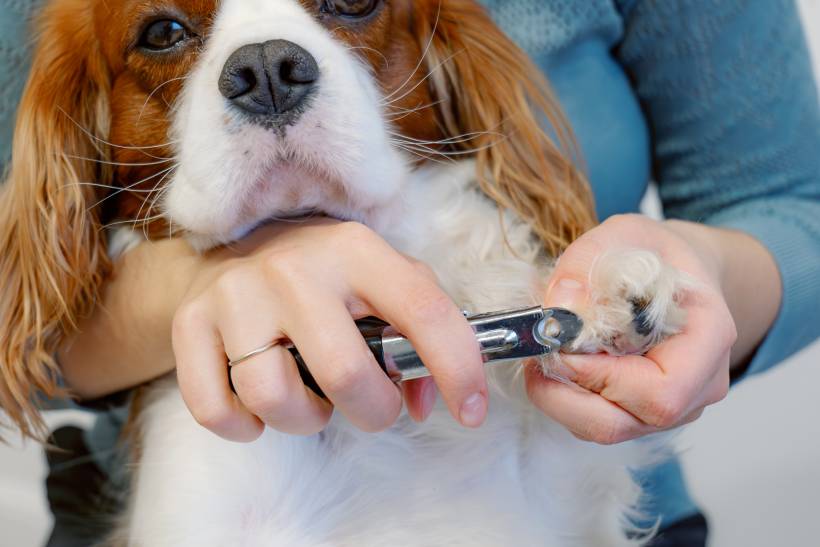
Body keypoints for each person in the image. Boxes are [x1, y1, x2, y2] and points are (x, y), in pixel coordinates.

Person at [2, 1, 818, 546]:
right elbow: (24, 313)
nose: (266, 67)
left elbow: (793, 201)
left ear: (446, 62)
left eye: (350, 1)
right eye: (167, 32)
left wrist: (701, 267)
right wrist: (195, 286)